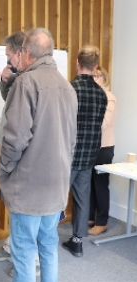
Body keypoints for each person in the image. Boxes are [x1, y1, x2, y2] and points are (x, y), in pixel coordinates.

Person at [0, 28, 77, 282]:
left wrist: (4, 170)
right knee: (48, 251)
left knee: (23, 255)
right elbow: (71, 141)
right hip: (56, 189)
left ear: (26, 53)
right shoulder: (68, 87)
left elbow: (14, 139)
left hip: (28, 189)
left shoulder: (25, 83)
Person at [0, 31, 43, 278]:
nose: (7, 60)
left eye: (9, 55)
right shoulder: (20, 76)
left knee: (28, 213)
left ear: (20, 53)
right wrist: (8, 79)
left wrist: (7, 164)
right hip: (18, 156)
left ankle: (31, 262)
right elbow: (9, 101)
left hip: (26, 158)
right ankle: (13, 247)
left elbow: (23, 122)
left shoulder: (32, 80)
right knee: (17, 210)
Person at [62, 45, 107, 257]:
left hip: (67, 155)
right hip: (89, 155)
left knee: (55, 201)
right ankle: (77, 241)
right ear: (96, 66)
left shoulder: (69, 90)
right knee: (82, 199)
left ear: (77, 63)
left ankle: (44, 239)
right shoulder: (102, 95)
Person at [88, 66, 117, 235]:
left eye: (97, 76)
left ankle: (102, 221)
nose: (94, 78)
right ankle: (91, 217)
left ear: (104, 78)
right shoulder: (95, 97)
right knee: (90, 183)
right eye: (92, 75)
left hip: (104, 147)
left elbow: (102, 124)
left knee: (100, 184)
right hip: (92, 146)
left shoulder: (109, 98)